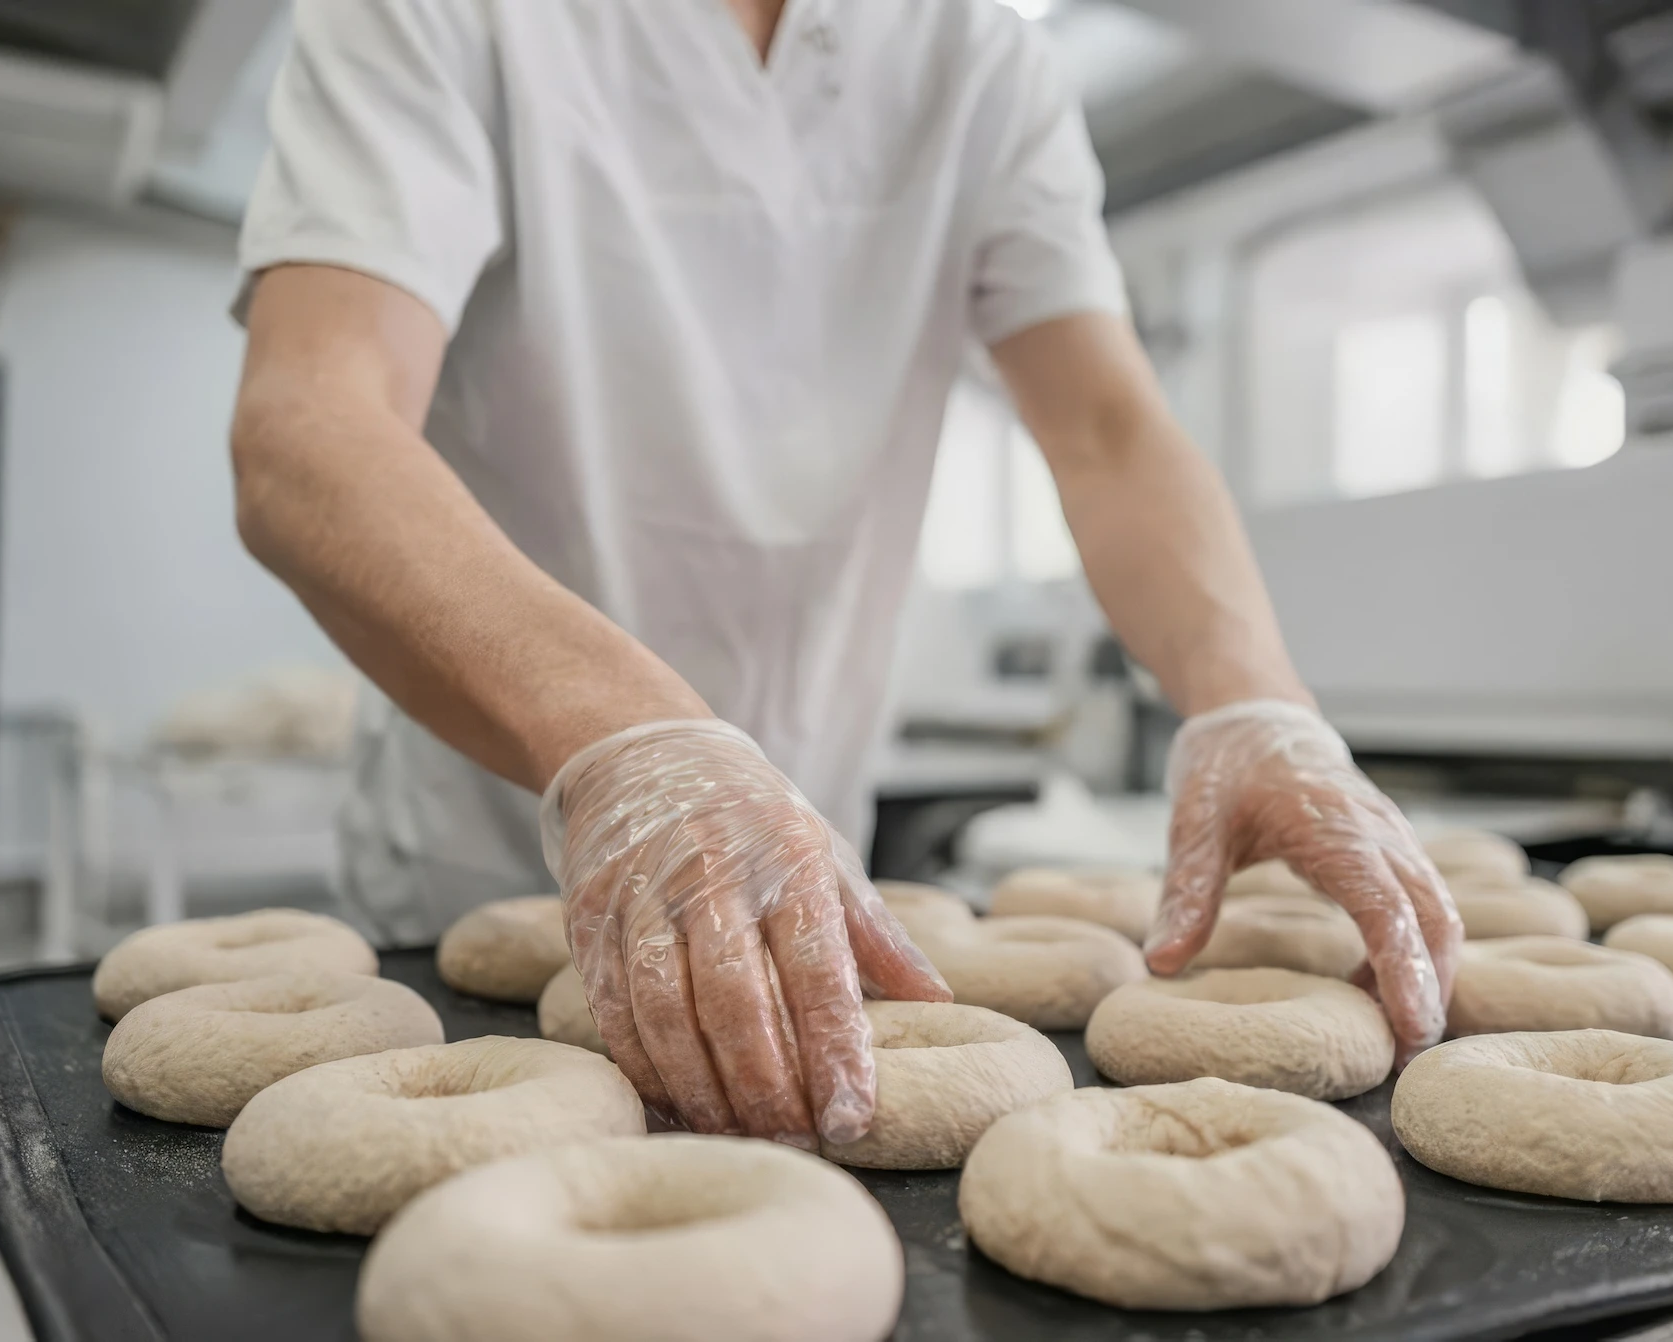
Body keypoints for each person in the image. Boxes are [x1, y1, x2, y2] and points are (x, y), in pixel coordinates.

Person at [230, 0, 1460, 1150]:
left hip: (814, 866)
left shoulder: (973, 50)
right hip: (476, 866)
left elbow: (1106, 429)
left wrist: (1251, 699)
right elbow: (309, 424)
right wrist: (629, 743)